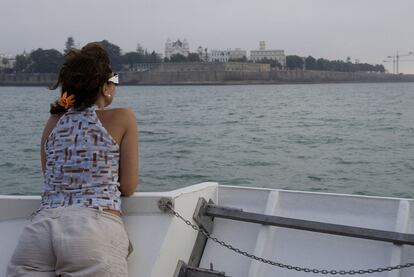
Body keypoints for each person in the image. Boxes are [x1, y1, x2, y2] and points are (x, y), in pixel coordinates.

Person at [6, 42, 139, 277]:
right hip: (94, 230)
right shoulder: (123, 118)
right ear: (105, 87)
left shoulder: (53, 122)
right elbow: (127, 187)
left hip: (40, 229)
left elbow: (50, 175)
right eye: (114, 82)